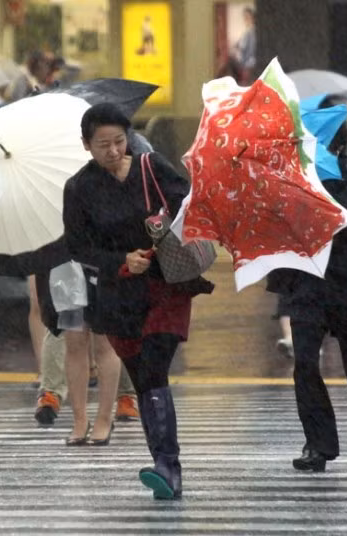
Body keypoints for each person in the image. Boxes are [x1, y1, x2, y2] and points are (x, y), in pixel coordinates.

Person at [63, 103, 214, 499]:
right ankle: (164, 467)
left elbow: (188, 207)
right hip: (118, 296)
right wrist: (120, 262)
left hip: (166, 287)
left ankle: (167, 466)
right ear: (86, 146)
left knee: (153, 368)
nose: (113, 151)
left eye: (118, 141)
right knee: (145, 377)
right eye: (102, 145)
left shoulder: (152, 167)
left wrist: (162, 228)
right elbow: (78, 246)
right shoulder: (79, 188)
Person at [266, 121, 347, 472]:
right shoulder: (289, 179)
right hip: (307, 280)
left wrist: (312, 204)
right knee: (305, 363)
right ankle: (318, 444)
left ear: (336, 147)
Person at [0, 231, 123, 442]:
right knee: (74, 341)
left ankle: (104, 419)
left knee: (105, 343)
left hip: (105, 257)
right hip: (67, 261)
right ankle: (80, 419)